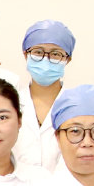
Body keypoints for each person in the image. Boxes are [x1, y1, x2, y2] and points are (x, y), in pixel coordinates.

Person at [13, 20, 76, 174]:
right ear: (25, 54)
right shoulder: (9, 103)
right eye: (38, 52)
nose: (46, 59)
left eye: (56, 54)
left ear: (67, 59)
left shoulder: (77, 106)